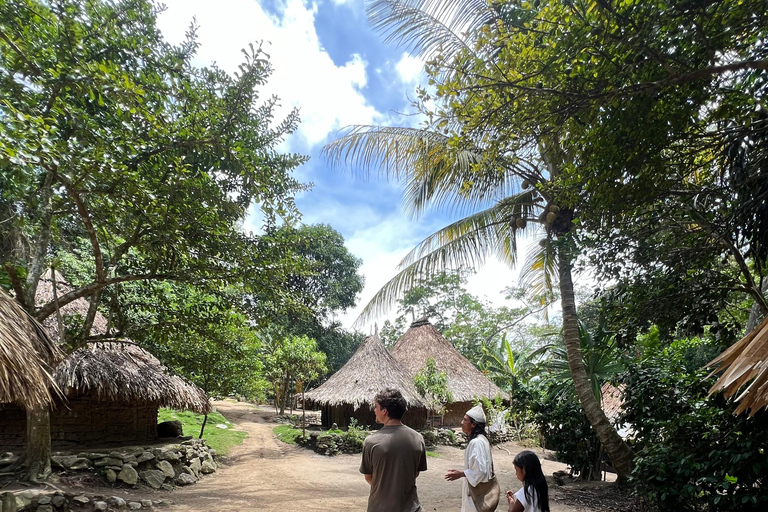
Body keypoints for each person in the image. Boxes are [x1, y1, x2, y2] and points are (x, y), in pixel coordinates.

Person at [360, 388, 428, 512]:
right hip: (411, 508)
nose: (374, 410)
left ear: (384, 411)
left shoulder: (371, 442)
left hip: (380, 507)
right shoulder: (417, 438)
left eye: (376, 407)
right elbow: (415, 473)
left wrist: (386, 487)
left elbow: (369, 477)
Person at [444, 404, 494, 512]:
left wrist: (461, 474)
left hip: (475, 498)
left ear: (473, 424)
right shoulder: (482, 440)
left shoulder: (477, 443)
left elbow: (480, 472)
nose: (462, 423)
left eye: (465, 420)